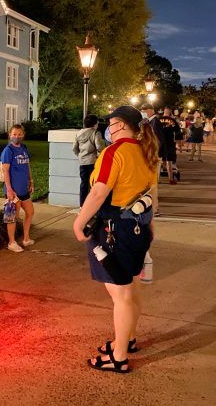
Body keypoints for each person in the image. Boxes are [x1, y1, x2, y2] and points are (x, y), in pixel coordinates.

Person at [72, 105, 160, 374]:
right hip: (139, 228)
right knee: (132, 289)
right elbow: (152, 196)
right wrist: (150, 228)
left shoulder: (114, 152)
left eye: (111, 124)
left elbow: (99, 192)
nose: (108, 128)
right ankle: (127, 339)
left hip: (114, 230)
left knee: (120, 295)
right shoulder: (147, 152)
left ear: (121, 125)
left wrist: (79, 222)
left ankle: (119, 357)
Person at [1, 124, 35, 252]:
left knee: (30, 212)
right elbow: (5, 171)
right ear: (10, 135)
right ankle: (11, 242)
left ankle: (26, 239)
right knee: (12, 217)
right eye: (14, 134)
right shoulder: (8, 150)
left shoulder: (24, 148)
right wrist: (9, 189)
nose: (17, 136)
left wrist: (31, 181)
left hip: (23, 189)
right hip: (13, 191)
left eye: (19, 134)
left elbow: (27, 166)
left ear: (23, 135)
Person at [73, 114, 105, 206]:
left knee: (83, 183)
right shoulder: (95, 133)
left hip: (82, 162)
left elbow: (74, 148)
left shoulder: (79, 133)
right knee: (93, 183)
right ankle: (92, 205)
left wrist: (80, 156)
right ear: (95, 123)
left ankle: (82, 205)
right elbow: (99, 147)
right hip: (93, 162)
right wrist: (100, 155)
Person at [140, 103, 165, 216]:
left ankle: (154, 208)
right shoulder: (151, 122)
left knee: (152, 183)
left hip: (153, 156)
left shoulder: (154, 122)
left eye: (144, 110)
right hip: (152, 155)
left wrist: (153, 154)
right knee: (151, 183)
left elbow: (157, 141)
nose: (143, 112)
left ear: (150, 110)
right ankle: (153, 208)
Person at [158, 107, 181, 185]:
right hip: (169, 142)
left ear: (164, 111)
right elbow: (177, 131)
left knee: (159, 161)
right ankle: (170, 179)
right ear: (170, 112)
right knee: (169, 161)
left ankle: (156, 179)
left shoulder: (158, 120)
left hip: (160, 142)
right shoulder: (172, 120)